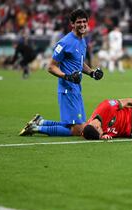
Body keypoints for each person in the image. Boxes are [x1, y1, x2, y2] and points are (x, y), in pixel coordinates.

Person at [19, 9, 104, 137]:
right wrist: (67, 76)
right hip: (67, 89)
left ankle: (40, 122)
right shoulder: (65, 42)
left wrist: (91, 73)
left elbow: (79, 63)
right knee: (79, 130)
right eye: (79, 22)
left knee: (74, 125)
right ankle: (36, 128)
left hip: (76, 87)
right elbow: (51, 67)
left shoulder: (82, 40)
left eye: (84, 22)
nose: (82, 24)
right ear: (72, 24)